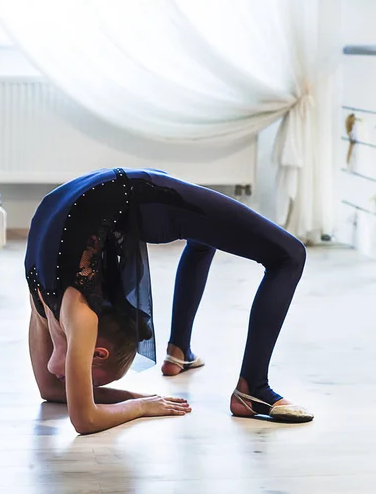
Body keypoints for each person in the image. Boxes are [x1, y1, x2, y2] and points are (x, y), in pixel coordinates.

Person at [25, 168, 313, 434]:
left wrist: (134, 401)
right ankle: (181, 351)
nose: (77, 386)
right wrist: (141, 402)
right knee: (207, 232)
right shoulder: (48, 306)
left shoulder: (74, 314)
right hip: (91, 194)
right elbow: (69, 405)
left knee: (289, 256)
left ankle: (253, 388)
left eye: (90, 383)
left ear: (96, 353)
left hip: (147, 195)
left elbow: (78, 411)